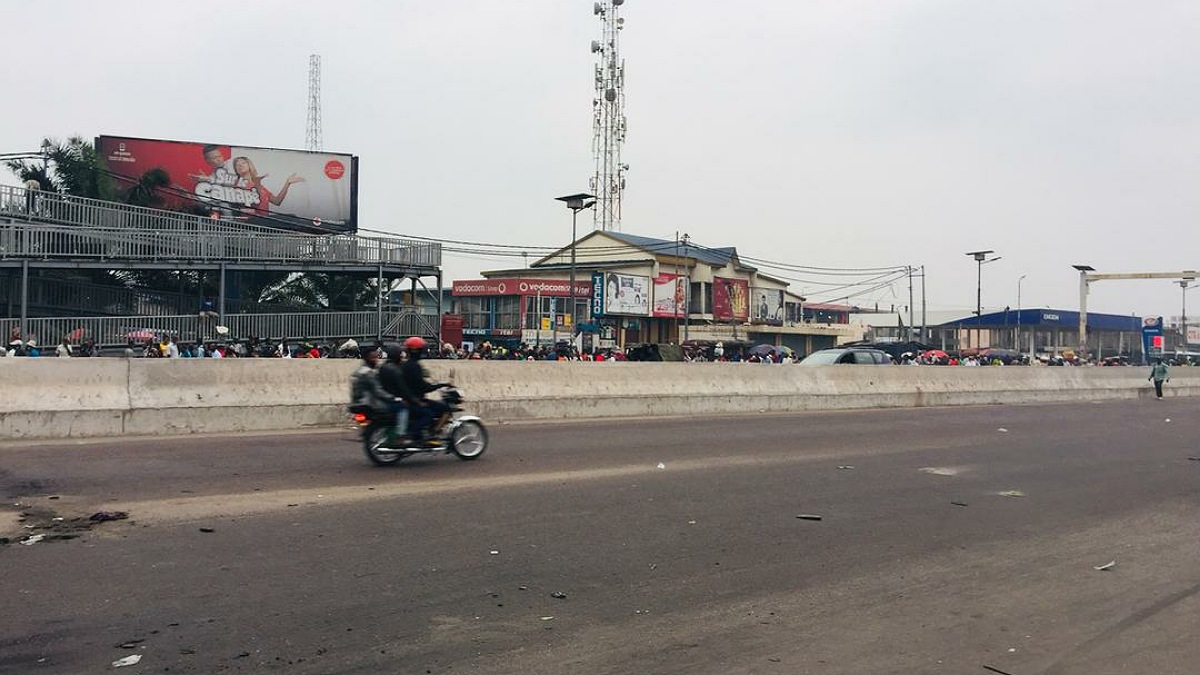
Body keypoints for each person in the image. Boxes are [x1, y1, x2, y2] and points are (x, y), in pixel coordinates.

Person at [401, 336, 450, 444]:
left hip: (411, 399)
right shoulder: (414, 366)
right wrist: (440, 385)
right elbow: (423, 387)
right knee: (436, 411)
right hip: (415, 401)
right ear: (417, 351)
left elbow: (419, 383)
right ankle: (424, 435)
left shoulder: (406, 365)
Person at [232, 156, 304, 215]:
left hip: (264, 221)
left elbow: (277, 201)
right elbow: (241, 208)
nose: (240, 165)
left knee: (291, 217)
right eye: (237, 164)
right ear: (236, 169)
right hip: (252, 221)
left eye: (243, 163)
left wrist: (287, 183)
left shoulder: (258, 185)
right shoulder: (238, 186)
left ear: (249, 165)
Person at [377, 342, 414, 444]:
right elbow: (402, 388)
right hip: (391, 399)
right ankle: (401, 435)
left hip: (384, 397)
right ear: (397, 355)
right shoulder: (395, 369)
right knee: (404, 408)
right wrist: (411, 398)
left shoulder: (383, 366)